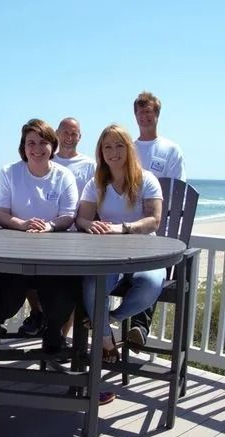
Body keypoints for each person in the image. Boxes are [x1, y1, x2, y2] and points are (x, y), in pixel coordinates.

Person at [0, 118, 79, 352]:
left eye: (43, 142)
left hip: (53, 258)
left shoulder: (64, 176)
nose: (37, 149)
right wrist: (21, 224)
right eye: (31, 143)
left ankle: (52, 335)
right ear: (23, 146)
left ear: (53, 145)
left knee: (64, 295)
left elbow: (69, 215)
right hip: (13, 257)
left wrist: (49, 226)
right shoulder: (10, 172)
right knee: (5, 301)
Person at [76, 123, 163, 365]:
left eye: (119, 146)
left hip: (145, 252)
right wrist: (88, 224)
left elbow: (154, 221)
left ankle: (108, 318)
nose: (114, 152)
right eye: (107, 147)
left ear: (129, 148)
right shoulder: (97, 183)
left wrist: (123, 228)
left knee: (150, 285)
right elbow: (82, 217)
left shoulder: (147, 180)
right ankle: (105, 340)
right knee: (93, 285)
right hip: (109, 254)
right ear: (101, 153)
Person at [18, 117, 96, 337]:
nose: (70, 137)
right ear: (57, 134)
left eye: (75, 133)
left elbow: (96, 196)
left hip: (75, 231)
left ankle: (62, 334)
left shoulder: (89, 165)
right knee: (32, 279)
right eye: (65, 132)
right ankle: (39, 314)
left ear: (80, 137)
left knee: (71, 286)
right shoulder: (45, 157)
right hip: (44, 231)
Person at [130, 91, 185, 346]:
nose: (145, 116)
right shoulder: (128, 147)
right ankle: (101, 322)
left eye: (149, 111)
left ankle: (139, 327)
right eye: (140, 111)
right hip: (128, 227)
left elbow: (176, 191)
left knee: (152, 270)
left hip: (156, 228)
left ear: (157, 115)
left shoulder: (171, 150)